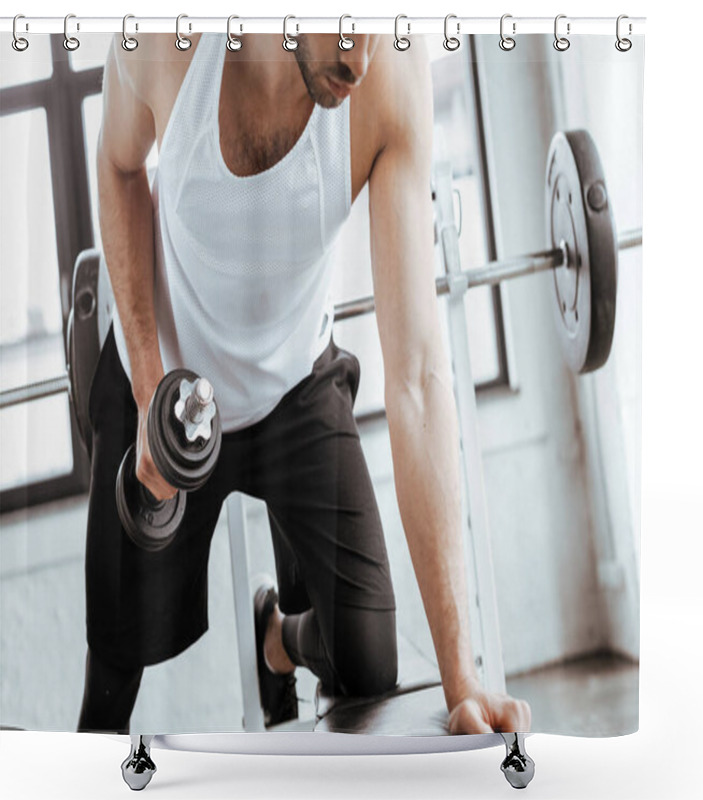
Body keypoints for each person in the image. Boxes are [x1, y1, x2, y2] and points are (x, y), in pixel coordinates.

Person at [76, 31, 531, 737]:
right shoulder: (168, 39)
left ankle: (275, 640)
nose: (364, 57)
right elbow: (117, 166)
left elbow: (416, 373)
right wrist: (145, 388)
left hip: (293, 385)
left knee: (370, 668)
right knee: (113, 674)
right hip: (169, 389)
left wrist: (461, 678)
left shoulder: (391, 76)